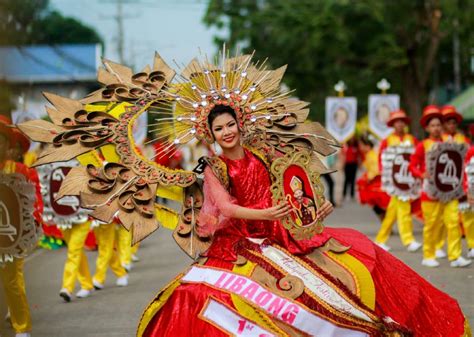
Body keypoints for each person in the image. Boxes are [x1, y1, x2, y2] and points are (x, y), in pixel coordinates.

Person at [139, 104, 469, 337]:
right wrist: (264, 214)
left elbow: (296, 185)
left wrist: (316, 207)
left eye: (229, 125)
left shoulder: (263, 155)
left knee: (358, 250)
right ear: (210, 133)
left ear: (240, 124)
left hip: (281, 230)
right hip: (240, 240)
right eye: (218, 128)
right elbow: (226, 208)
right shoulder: (214, 167)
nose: (226, 132)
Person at [409, 105, 471, 268]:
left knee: (452, 222)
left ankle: (455, 255)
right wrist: (421, 174)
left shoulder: (450, 143)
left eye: (438, 125)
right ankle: (428, 255)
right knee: (432, 224)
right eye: (433, 125)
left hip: (450, 191)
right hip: (430, 193)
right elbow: (412, 165)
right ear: (427, 128)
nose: (436, 128)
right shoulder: (423, 145)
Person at [0, 118, 42, 337]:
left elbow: (34, 201)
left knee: (12, 281)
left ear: (8, 145)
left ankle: (21, 327)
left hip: (11, 235)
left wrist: (33, 222)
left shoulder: (21, 170)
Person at [374, 110, 421, 252]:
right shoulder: (387, 141)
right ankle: (408, 240)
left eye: (402, 121)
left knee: (392, 212)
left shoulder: (412, 139)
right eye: (397, 121)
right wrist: (385, 177)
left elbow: (417, 157)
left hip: (408, 180)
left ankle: (380, 240)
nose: (399, 124)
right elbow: (381, 159)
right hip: (394, 181)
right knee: (404, 209)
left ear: (405, 123)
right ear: (393, 124)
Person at [434, 105, 472, 258]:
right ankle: (437, 246)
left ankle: (471, 245)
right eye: (448, 122)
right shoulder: (438, 140)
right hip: (443, 185)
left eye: (454, 122)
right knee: (442, 220)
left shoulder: (464, 140)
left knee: (465, 216)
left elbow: (469, 160)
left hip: (462, 183)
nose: (451, 125)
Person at [356, 135, 390, 222]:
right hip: (374, 181)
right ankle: (385, 224)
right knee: (378, 206)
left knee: (380, 205)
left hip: (377, 182)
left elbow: (376, 169)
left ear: (367, 145)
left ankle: (386, 224)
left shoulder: (372, 154)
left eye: (361, 145)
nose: (360, 147)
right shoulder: (369, 154)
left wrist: (367, 178)